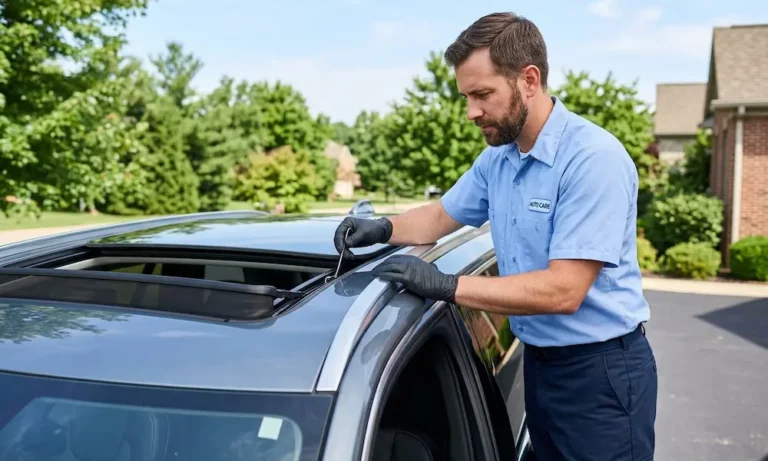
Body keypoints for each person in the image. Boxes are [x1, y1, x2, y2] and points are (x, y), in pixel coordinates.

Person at [334, 11, 657, 461]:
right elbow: (439, 216)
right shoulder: (500, 159)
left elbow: (564, 290)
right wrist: (383, 229)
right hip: (541, 366)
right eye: (466, 96)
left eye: (482, 94)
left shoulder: (592, 159)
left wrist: (446, 286)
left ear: (529, 79)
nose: (471, 112)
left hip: (598, 374)